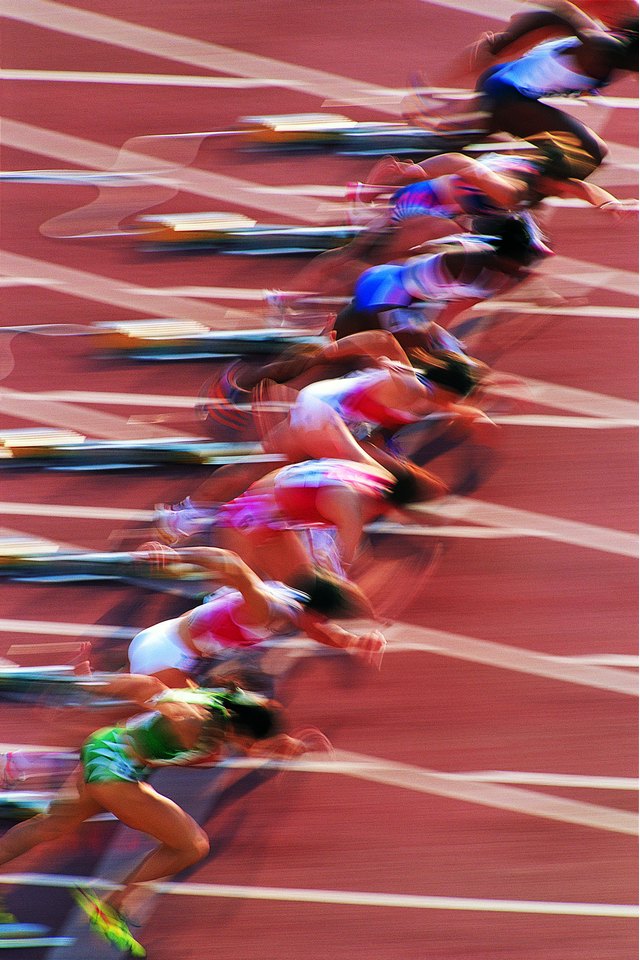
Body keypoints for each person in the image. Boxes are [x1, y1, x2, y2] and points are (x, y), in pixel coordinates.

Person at [0, 672, 321, 956]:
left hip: (108, 751)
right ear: (238, 728)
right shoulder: (193, 720)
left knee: (51, 826)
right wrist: (87, 688)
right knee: (191, 845)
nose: (250, 749)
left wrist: (281, 742)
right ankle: (111, 906)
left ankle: (111, 905)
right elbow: (147, 686)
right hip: (114, 768)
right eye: (251, 741)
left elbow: (256, 722)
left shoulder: (230, 707)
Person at [405, 1, 638, 170]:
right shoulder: (605, 48)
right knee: (589, 154)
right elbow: (559, 14)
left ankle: (411, 169)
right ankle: (516, 194)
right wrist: (505, 41)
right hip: (507, 98)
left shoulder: (612, 51)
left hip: (503, 87)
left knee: (449, 145)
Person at [127, 544, 387, 685]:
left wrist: (354, 642)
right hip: (164, 658)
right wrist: (173, 555)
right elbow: (230, 562)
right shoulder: (267, 609)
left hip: (164, 639)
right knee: (207, 728)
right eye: (325, 617)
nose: (324, 623)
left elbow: (319, 631)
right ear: (317, 612)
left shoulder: (295, 601)